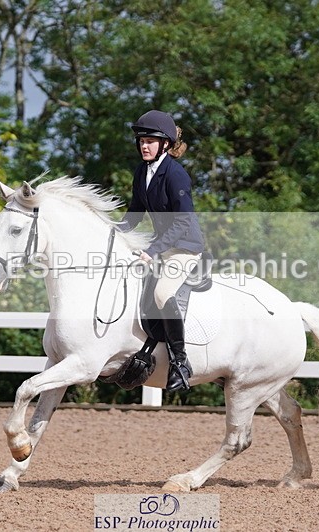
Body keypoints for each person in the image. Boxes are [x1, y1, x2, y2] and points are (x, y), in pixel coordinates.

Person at [118, 110, 205, 392]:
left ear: (165, 144)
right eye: (142, 140)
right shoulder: (142, 171)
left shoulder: (176, 175)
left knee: (161, 293)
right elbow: (134, 213)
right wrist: (112, 232)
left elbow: (183, 221)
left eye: (151, 141)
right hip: (162, 246)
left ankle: (180, 362)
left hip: (184, 248)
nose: (144, 145)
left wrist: (154, 249)